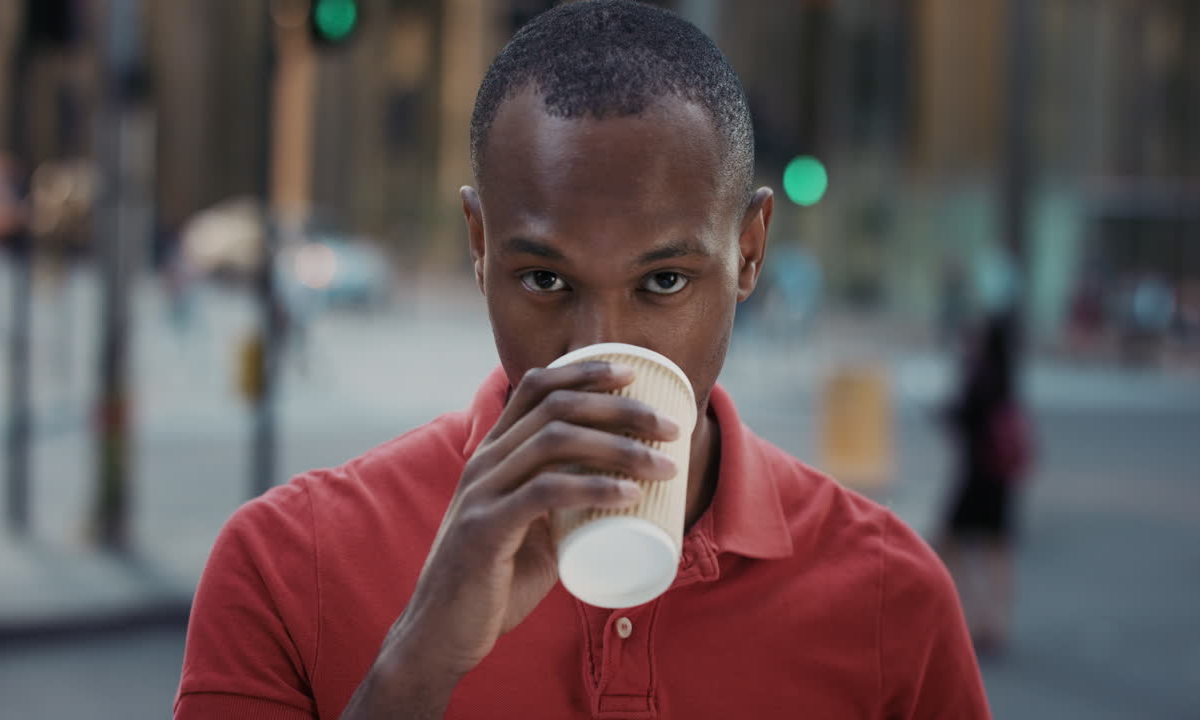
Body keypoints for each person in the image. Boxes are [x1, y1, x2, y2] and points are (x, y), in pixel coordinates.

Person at [175, 3, 990, 718]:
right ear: (479, 245)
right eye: (545, 279)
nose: (597, 349)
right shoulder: (285, 567)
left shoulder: (891, 601)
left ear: (749, 250)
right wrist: (418, 659)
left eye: (663, 281)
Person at [937, 308, 1029, 657]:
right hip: (1000, 478)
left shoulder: (981, 374)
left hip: (977, 477)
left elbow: (965, 418)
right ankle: (994, 619)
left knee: (948, 544)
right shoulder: (1007, 374)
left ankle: (967, 613)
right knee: (996, 548)